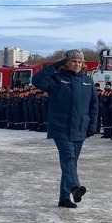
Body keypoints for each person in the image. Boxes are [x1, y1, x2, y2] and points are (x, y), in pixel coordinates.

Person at [32, 49, 99, 209]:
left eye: (79, 61)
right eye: (73, 61)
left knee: (71, 163)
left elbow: (94, 105)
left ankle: (64, 198)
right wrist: (56, 65)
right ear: (66, 63)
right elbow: (36, 80)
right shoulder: (56, 79)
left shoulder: (87, 81)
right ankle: (75, 188)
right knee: (68, 159)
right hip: (61, 127)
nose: (76, 64)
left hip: (80, 127)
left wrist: (92, 125)